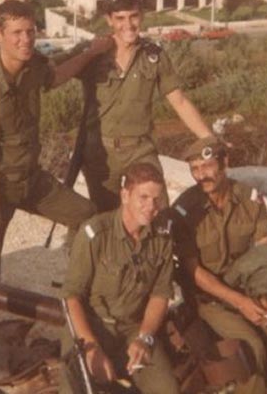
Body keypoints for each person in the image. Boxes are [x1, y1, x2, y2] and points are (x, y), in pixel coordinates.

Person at [0, 0, 112, 386]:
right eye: (16, 33)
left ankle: (81, 298)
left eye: (30, 31)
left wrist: (92, 52)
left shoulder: (33, 69)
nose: (25, 39)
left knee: (88, 218)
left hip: (29, 180)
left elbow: (57, 75)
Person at [171, 136, 267, 394]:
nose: (201, 175)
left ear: (224, 162)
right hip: (207, 299)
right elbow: (194, 272)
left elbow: (266, 250)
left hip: (246, 289)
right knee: (251, 345)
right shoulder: (184, 209)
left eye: (207, 166)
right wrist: (240, 302)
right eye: (195, 169)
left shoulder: (249, 198)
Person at [79, 0, 212, 212]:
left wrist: (209, 139)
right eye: (120, 18)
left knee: (158, 209)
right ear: (109, 20)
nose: (128, 24)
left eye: (133, 16)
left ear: (142, 15)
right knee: (107, 217)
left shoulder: (154, 56)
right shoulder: (92, 52)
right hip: (101, 152)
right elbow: (52, 74)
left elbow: (179, 101)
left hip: (140, 149)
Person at [60, 162, 180, 394]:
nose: (151, 207)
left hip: (133, 328)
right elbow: (71, 296)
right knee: (75, 386)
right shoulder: (95, 234)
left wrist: (144, 338)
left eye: (156, 199)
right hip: (91, 326)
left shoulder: (162, 237)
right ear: (125, 196)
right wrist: (91, 347)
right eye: (143, 197)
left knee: (167, 389)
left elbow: (160, 294)